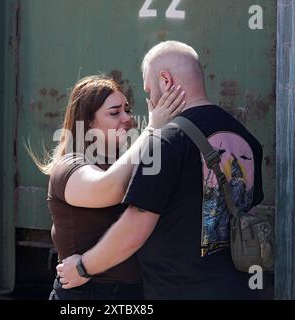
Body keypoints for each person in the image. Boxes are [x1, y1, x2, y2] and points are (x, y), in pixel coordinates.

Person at [57, 41, 264, 300]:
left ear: (165, 80)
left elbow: (134, 230)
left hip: (180, 290)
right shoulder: (244, 136)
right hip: (237, 288)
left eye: (148, 89)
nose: (150, 100)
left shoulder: (165, 140)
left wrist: (82, 267)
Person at [34, 75, 186, 300]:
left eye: (127, 109)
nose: (127, 118)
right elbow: (106, 189)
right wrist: (152, 129)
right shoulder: (68, 165)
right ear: (87, 122)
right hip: (88, 294)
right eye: (115, 113)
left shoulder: (122, 161)